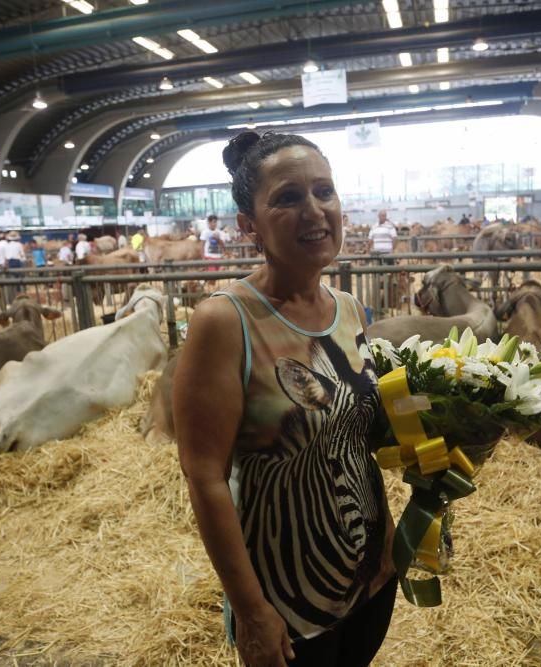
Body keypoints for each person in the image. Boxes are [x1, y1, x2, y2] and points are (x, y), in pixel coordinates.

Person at [174, 131, 396, 667]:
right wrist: (252, 612)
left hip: (371, 574)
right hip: (288, 595)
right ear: (248, 225)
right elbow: (204, 476)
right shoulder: (225, 322)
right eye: (288, 198)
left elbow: (359, 436)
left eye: (325, 191)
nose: (315, 210)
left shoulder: (348, 308)